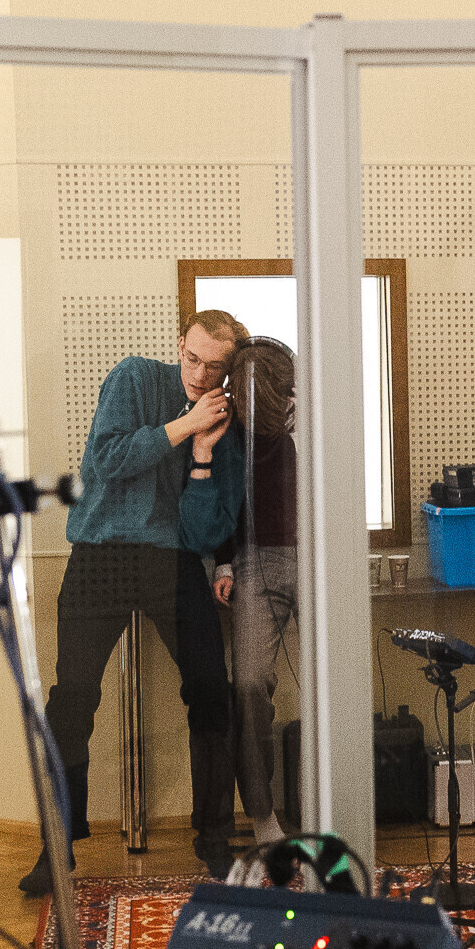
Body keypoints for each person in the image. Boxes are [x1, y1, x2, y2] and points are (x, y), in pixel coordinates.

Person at [25, 306, 245, 893]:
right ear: (179, 346)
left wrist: (203, 455)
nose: (198, 374)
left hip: (171, 559)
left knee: (211, 689)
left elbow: (205, 530)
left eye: (214, 368)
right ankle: (56, 847)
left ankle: (214, 836)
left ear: (228, 371)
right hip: (101, 552)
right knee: (72, 699)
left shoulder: (222, 420)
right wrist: (185, 426)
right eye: (192, 358)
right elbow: (108, 459)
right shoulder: (134, 377)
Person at [213, 337, 298, 847]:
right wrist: (223, 560)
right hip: (252, 560)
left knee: (336, 680)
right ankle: (263, 815)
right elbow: (218, 503)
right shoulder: (227, 432)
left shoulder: (307, 424)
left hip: (313, 555)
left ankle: (343, 802)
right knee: (247, 685)